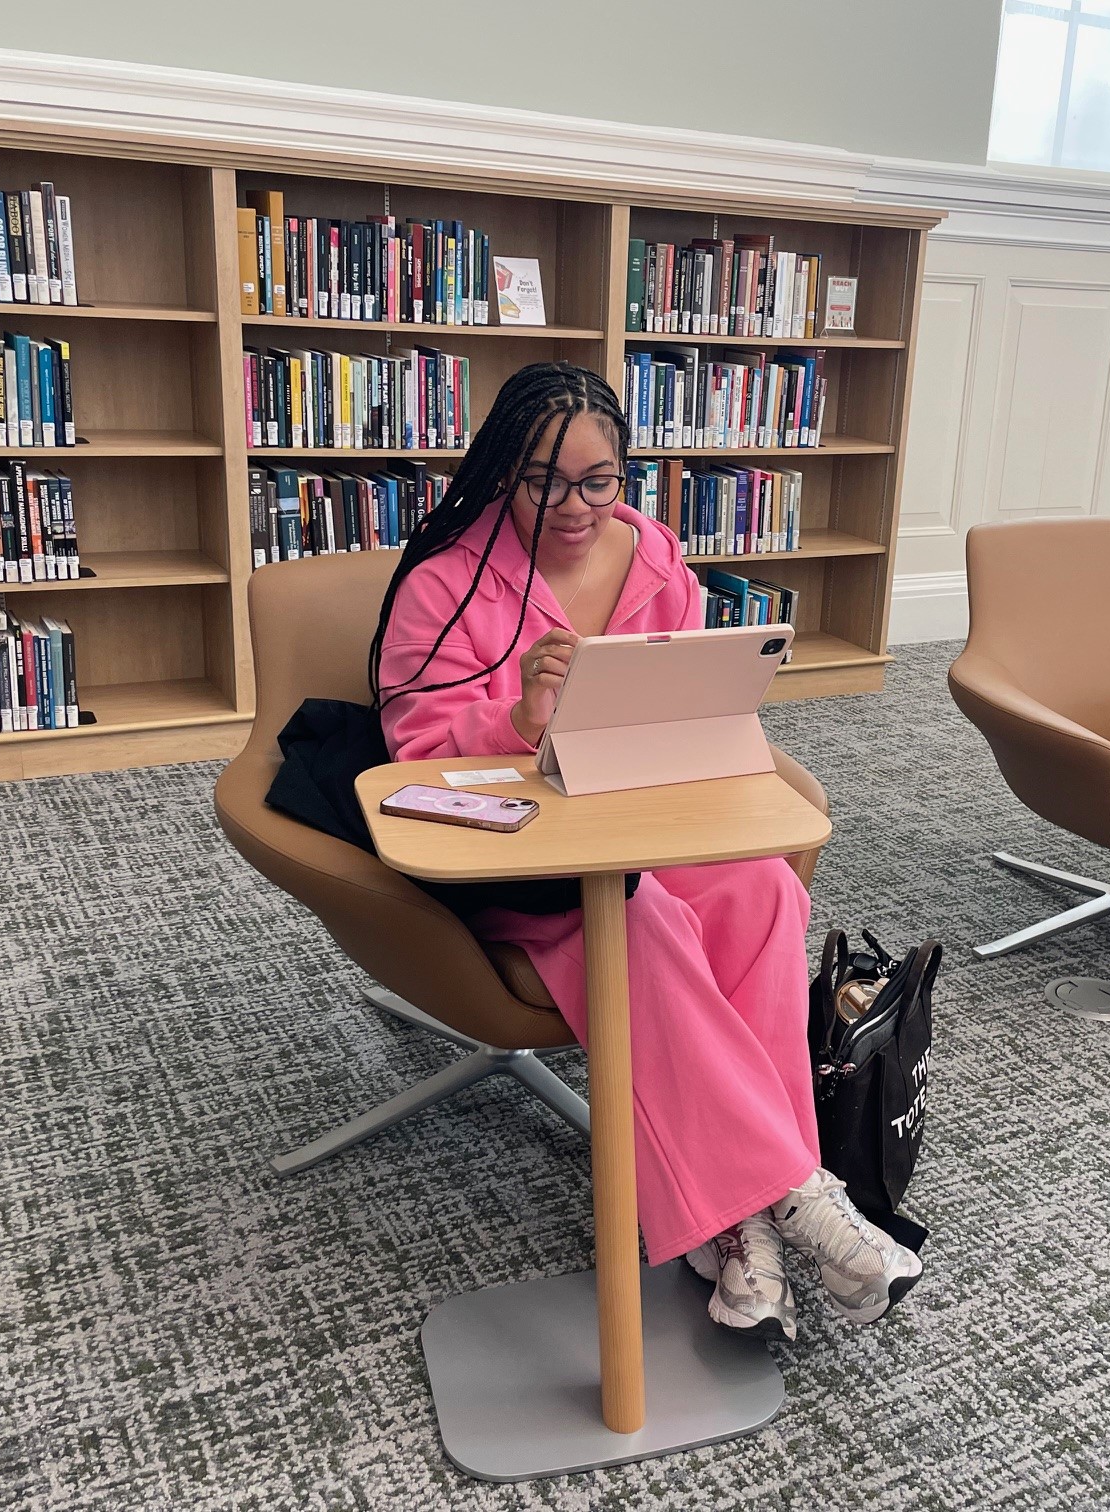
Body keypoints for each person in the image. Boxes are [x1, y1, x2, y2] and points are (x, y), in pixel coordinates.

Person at [369, 362, 921, 1340]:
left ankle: (742, 1227)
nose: (576, 507)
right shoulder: (442, 584)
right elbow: (415, 756)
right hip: (524, 863)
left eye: (600, 481)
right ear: (502, 472)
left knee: (762, 890)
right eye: (546, 481)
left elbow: (686, 706)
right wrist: (515, 715)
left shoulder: (656, 557)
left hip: (644, 819)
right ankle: (796, 1194)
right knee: (640, 920)